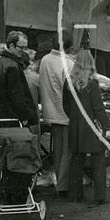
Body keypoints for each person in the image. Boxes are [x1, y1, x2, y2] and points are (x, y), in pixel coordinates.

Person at [63, 50, 110, 206]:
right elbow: (98, 109)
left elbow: (65, 105)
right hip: (91, 125)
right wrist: (108, 126)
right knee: (98, 160)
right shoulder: (92, 83)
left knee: (76, 161)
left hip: (75, 126)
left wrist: (73, 118)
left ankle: (75, 194)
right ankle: (100, 196)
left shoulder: (68, 81)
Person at [39, 33, 74, 198]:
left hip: (49, 110)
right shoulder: (69, 63)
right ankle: (63, 186)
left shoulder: (44, 60)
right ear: (69, 46)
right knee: (67, 151)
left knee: (58, 150)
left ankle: (59, 182)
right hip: (66, 112)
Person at [0, 31, 39, 129]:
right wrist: (25, 116)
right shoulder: (12, 66)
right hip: (12, 118)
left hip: (0, 115)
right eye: (21, 48)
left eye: (26, 48)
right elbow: (17, 95)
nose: (24, 51)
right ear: (11, 45)